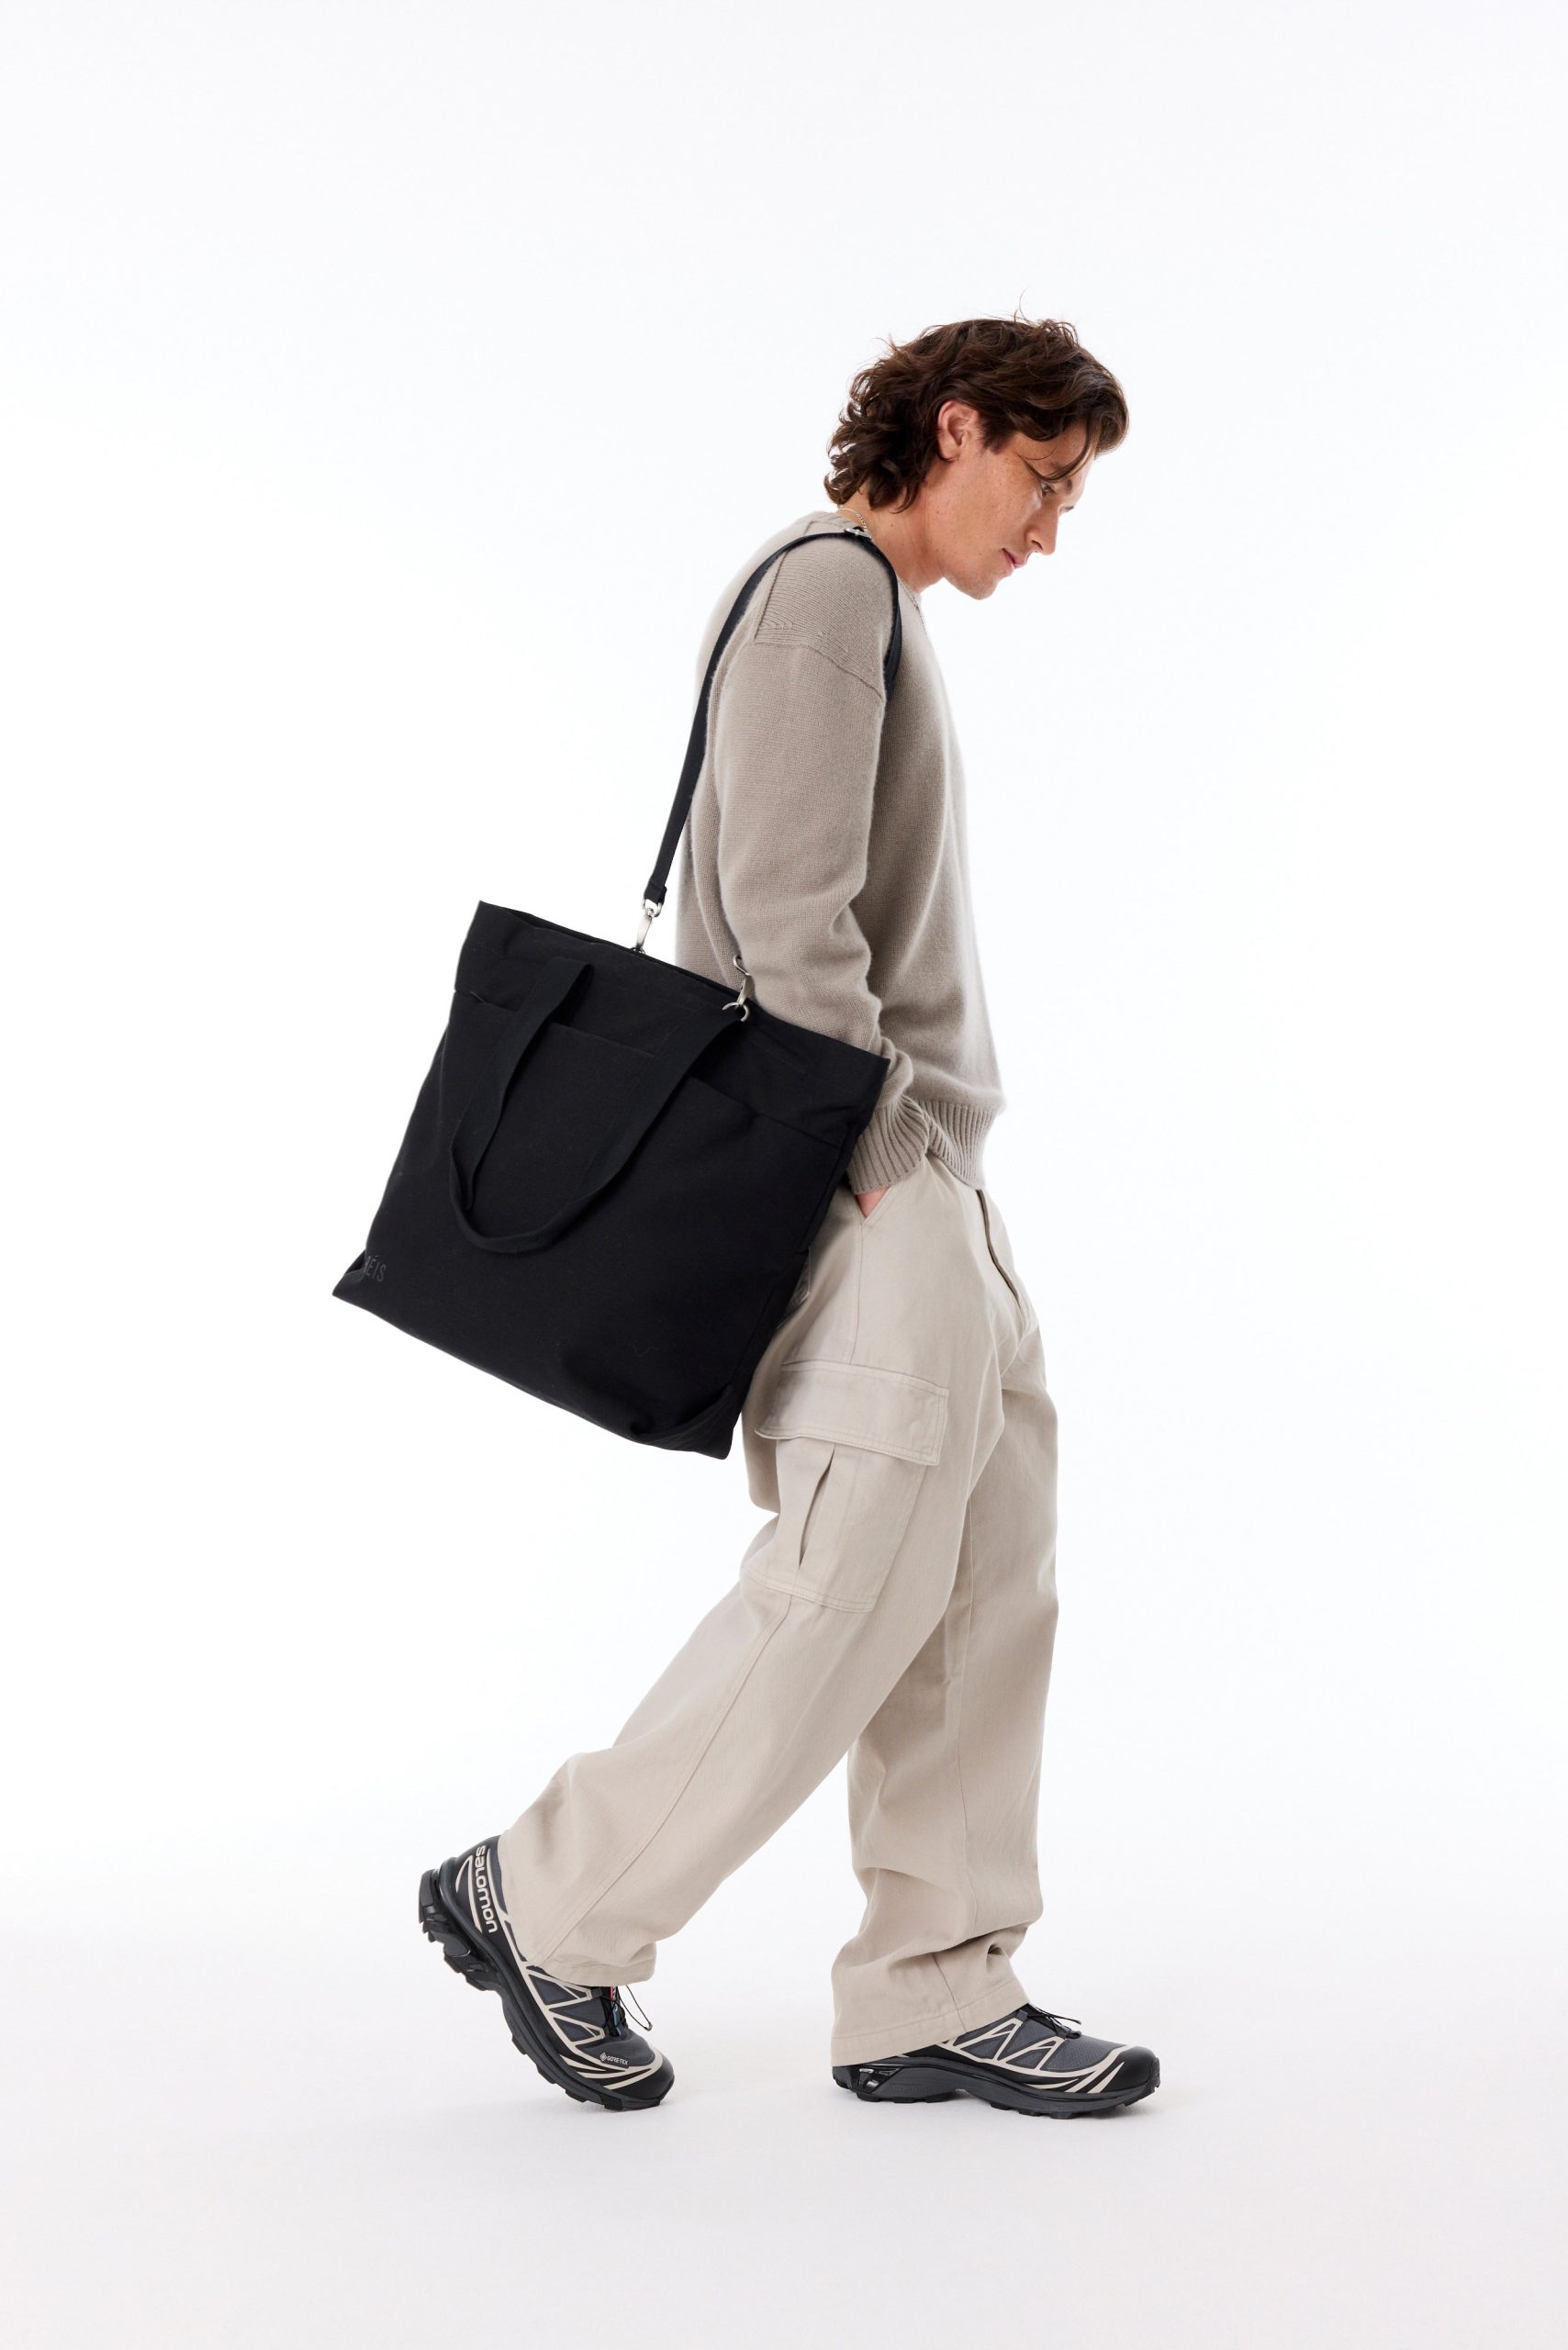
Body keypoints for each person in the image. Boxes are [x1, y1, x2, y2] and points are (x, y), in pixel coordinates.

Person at [418, 315, 1159, 2119]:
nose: (1048, 529)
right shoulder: (827, 590)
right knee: (846, 1583)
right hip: (867, 1171)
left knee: (982, 1580)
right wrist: (886, 1162)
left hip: (930, 1176)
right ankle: (548, 1896)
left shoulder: (874, 606)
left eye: (1072, 500)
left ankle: (932, 1984)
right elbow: (779, 906)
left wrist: (930, 1173)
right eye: (1041, 480)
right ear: (954, 426)